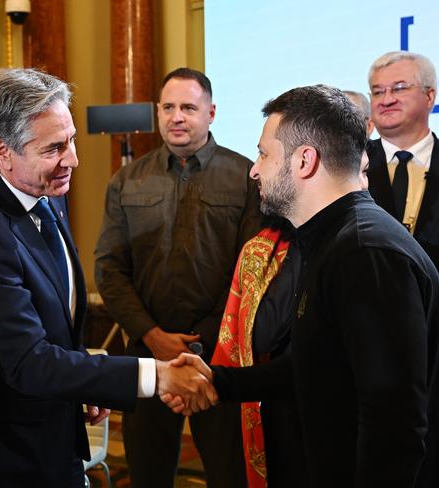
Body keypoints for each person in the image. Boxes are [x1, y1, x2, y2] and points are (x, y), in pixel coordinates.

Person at [0, 67, 217, 487]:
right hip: (9, 459)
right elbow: (27, 361)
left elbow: (57, 330)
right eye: (54, 148)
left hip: (57, 439)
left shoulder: (46, 195)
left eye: (70, 140)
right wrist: (155, 374)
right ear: (2, 151)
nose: (73, 159)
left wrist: (86, 384)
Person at [172, 84, 439, 487]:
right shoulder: (333, 239)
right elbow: (322, 363)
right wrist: (219, 381)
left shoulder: (363, 251)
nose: (254, 169)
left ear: (304, 161)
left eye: (264, 154)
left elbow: (394, 424)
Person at [94, 67, 261, 487]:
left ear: (212, 112)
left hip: (220, 359)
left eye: (188, 107)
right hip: (146, 356)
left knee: (230, 474)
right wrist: (153, 336)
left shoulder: (247, 177)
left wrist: (201, 343)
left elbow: (252, 270)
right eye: (168, 107)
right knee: (148, 474)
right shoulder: (126, 181)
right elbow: (109, 269)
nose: (176, 117)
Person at [366, 51, 439, 268]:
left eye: (399, 88)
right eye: (377, 92)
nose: (387, 100)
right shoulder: (347, 164)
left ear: (429, 97)